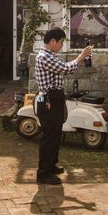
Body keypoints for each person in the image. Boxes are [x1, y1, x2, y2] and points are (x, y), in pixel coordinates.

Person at [34, 27, 92, 185]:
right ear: (53, 41)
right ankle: (43, 173)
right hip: (49, 100)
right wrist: (81, 56)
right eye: (60, 42)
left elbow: (63, 68)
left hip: (54, 98)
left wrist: (81, 57)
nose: (61, 45)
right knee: (49, 136)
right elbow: (66, 69)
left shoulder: (50, 55)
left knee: (55, 134)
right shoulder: (45, 57)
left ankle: (51, 165)